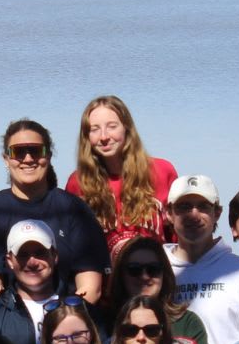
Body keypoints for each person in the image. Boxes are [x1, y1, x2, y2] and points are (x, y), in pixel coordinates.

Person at [0, 120, 107, 304]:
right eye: (18, 152)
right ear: (6, 159)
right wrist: (23, 322)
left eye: (35, 151)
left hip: (70, 324)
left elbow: (91, 286)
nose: (27, 159)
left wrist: (61, 323)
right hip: (8, 326)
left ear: (48, 156)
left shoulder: (74, 209)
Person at [163, 175, 239, 344]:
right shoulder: (152, 271)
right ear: (168, 213)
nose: (194, 215)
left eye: (203, 206)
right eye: (184, 207)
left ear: (217, 213)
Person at [67, 95, 177, 248]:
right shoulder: (78, 182)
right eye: (95, 129)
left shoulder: (162, 171)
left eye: (112, 126)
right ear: (86, 137)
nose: (104, 137)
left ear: (126, 128)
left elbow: (178, 236)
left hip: (155, 270)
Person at [108, 233, 215, 344]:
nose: (144, 276)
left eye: (153, 269)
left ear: (164, 274)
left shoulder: (187, 323)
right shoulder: (106, 321)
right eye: (134, 269)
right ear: (121, 275)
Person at [0, 219, 84, 344]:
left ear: (55, 256)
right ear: (9, 261)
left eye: (40, 253)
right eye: (23, 255)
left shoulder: (82, 311)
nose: (32, 262)